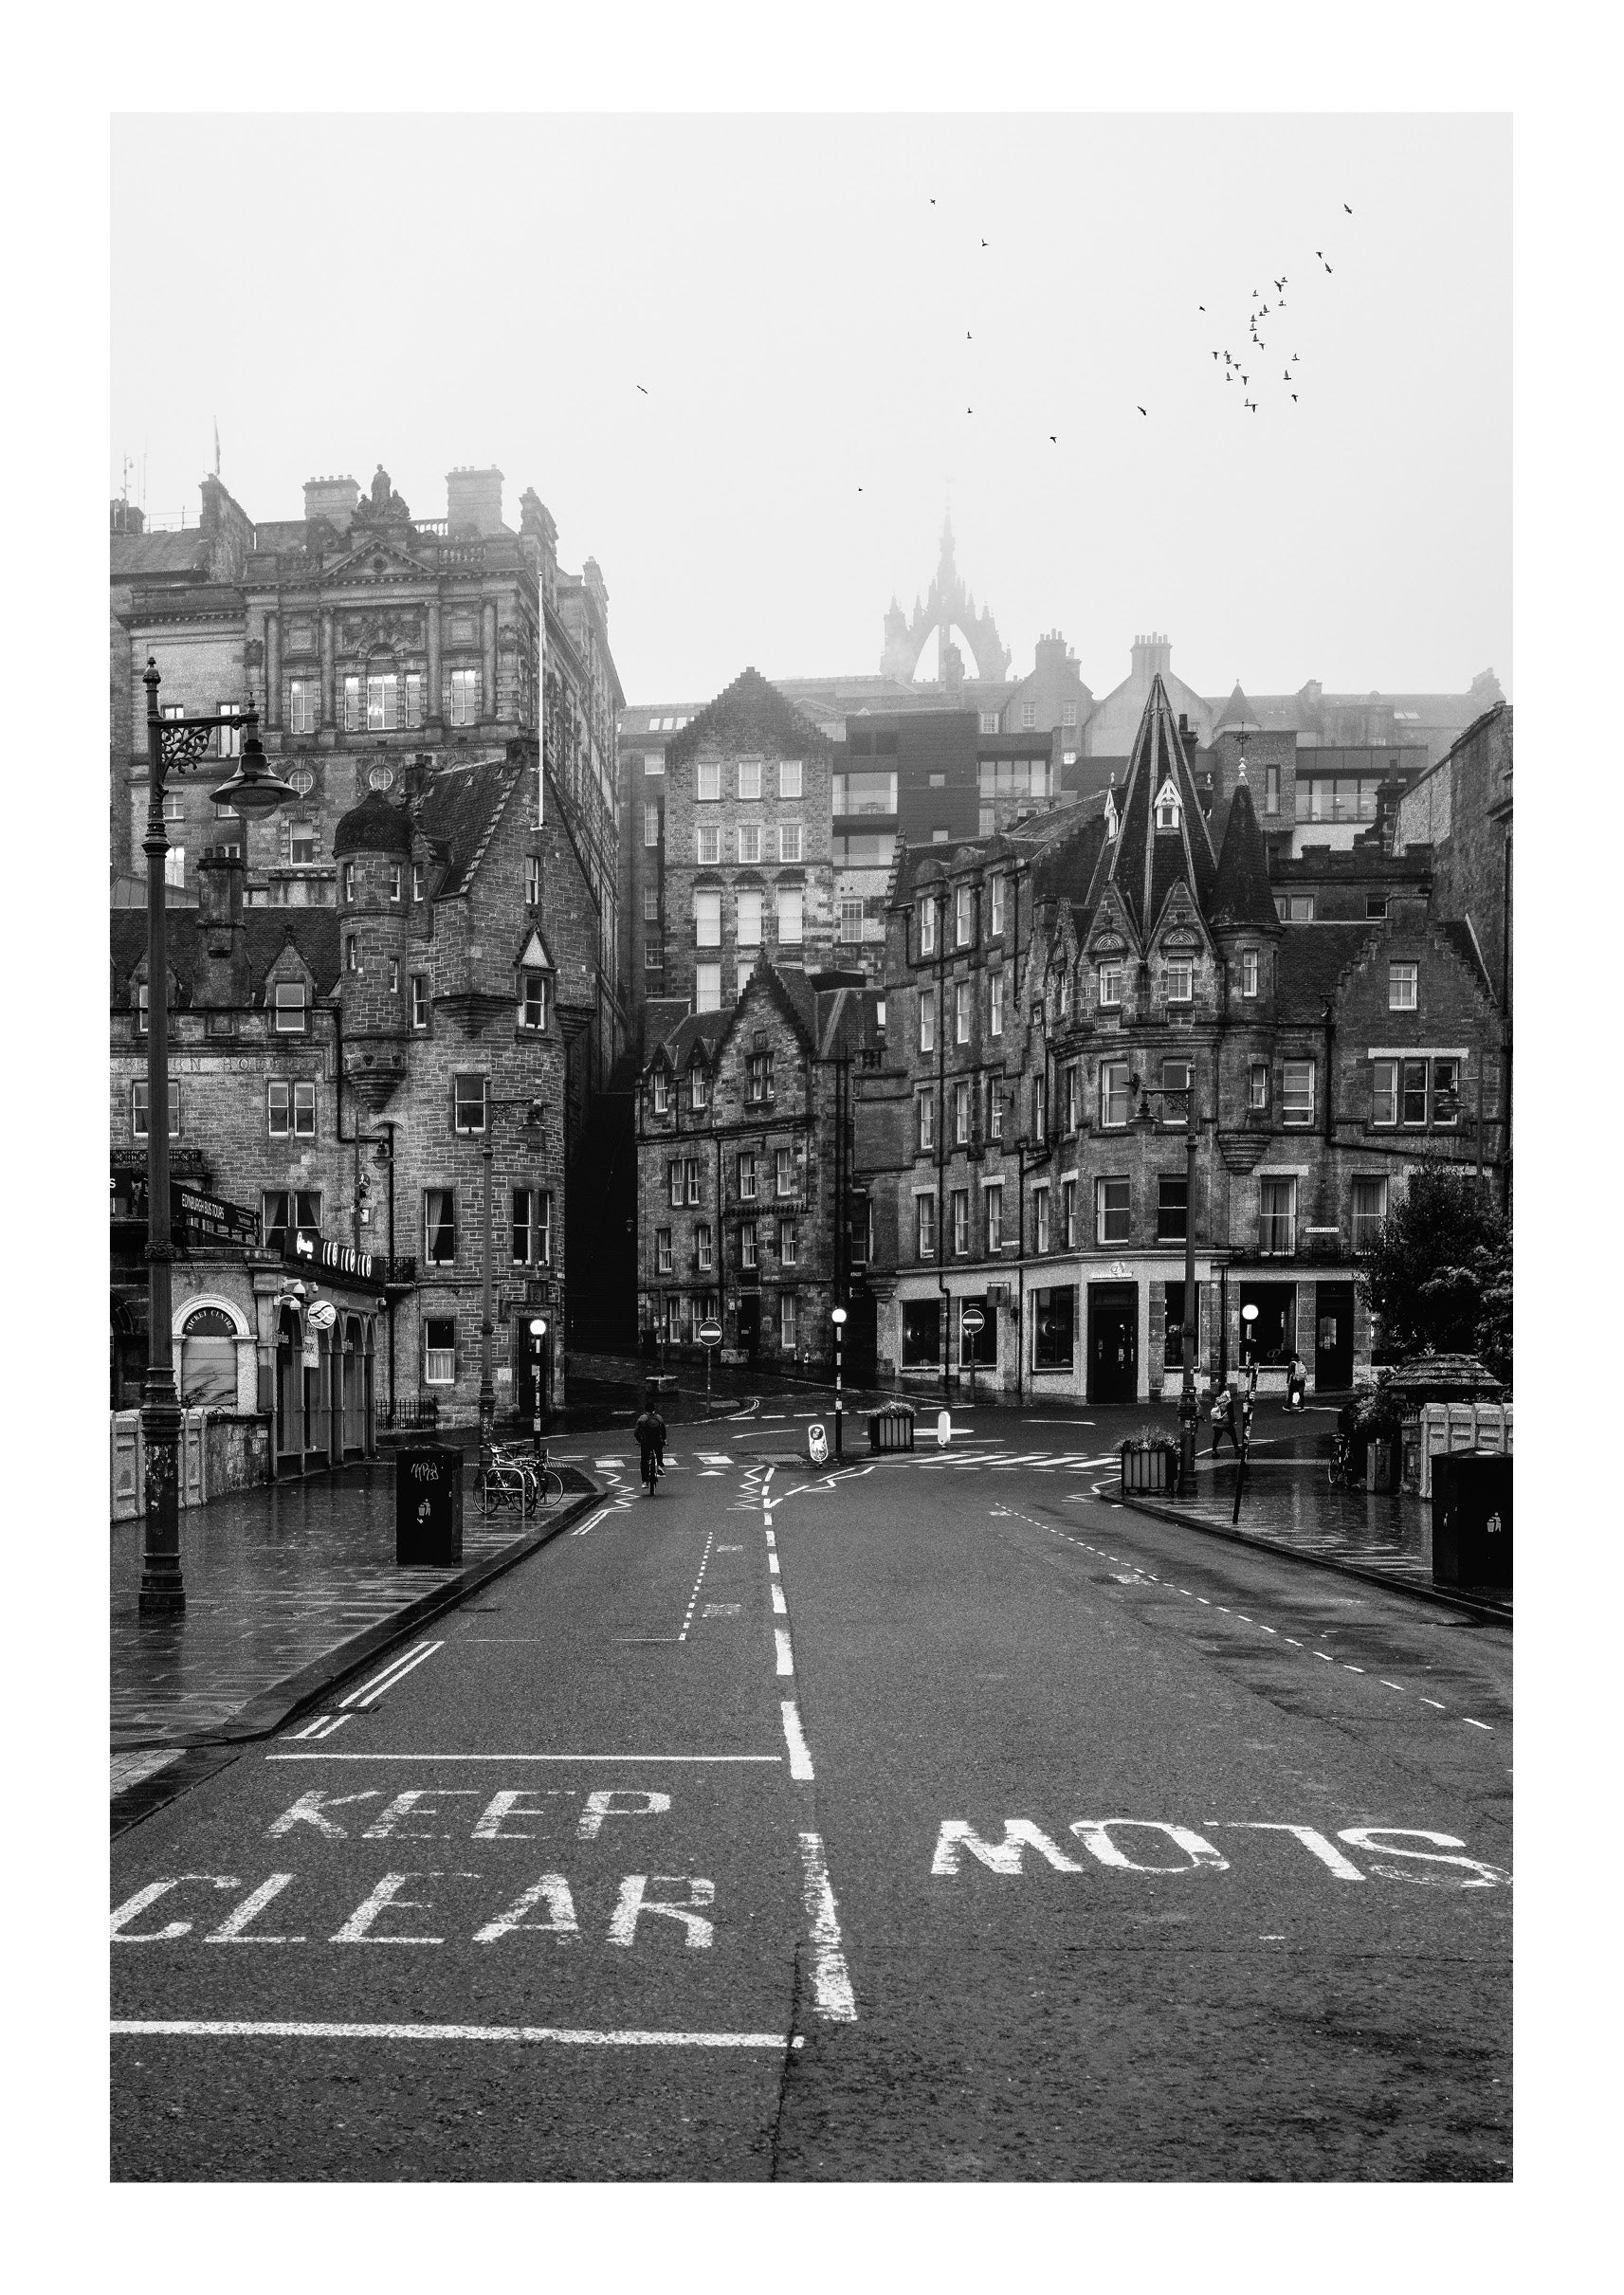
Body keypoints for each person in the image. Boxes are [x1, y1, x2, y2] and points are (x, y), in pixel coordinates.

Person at [633, 1400, 666, 1493]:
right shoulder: (659, 1418)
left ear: (646, 1410)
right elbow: (663, 1430)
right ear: (654, 1409)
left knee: (644, 1460)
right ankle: (659, 1465)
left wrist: (640, 1441)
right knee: (659, 1451)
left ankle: (644, 1481)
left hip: (646, 1442)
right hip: (657, 1442)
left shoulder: (642, 1418)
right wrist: (663, 1439)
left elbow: (636, 1432)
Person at [1211, 1383, 1243, 1460]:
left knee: (1216, 1437)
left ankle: (1214, 1451)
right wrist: (1234, 1421)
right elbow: (1231, 1413)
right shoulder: (1229, 1402)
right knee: (1233, 1436)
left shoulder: (1218, 1401)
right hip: (1226, 1423)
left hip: (1218, 1423)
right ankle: (1236, 1450)